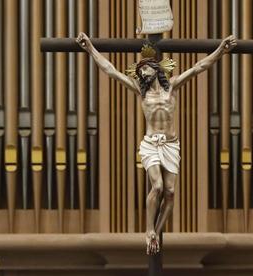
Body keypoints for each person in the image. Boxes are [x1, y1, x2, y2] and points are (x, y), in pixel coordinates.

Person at [78, 31, 237, 254]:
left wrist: (220, 50)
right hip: (151, 144)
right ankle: (149, 229)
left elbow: (199, 67)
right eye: (140, 68)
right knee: (158, 186)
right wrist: (90, 48)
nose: (142, 70)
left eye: (146, 66)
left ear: (156, 68)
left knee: (170, 193)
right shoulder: (140, 93)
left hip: (171, 144)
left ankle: (157, 236)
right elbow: (110, 70)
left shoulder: (172, 86)